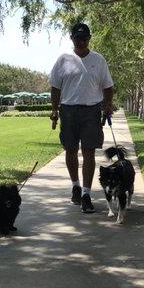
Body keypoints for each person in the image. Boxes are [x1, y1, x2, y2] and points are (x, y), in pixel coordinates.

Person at [49, 23, 114, 213]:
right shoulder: (63, 60)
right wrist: (54, 109)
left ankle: (86, 194)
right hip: (68, 110)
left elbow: (108, 87)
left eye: (84, 38)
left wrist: (107, 105)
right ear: (72, 39)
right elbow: (55, 88)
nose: (81, 41)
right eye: (77, 38)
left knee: (89, 152)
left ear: (89, 38)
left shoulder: (98, 60)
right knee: (70, 150)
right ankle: (75, 186)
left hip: (91, 111)